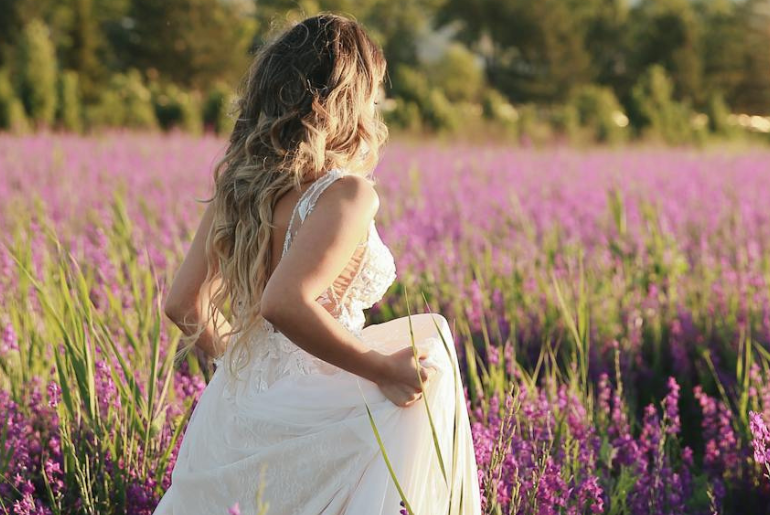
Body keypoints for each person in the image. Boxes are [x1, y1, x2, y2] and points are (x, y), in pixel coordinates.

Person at [154, 13, 481, 515]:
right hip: (321, 404)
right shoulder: (346, 193)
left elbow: (181, 303)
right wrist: (382, 370)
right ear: (348, 100)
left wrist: (244, 367)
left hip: (235, 409)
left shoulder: (238, 187)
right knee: (428, 353)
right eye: (372, 94)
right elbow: (285, 302)